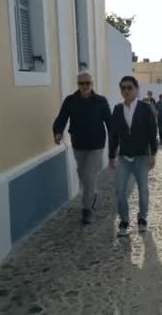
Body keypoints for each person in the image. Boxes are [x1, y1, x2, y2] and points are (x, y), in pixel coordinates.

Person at [53, 71, 111, 225]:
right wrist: (58, 132)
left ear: (92, 84)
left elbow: (110, 122)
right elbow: (61, 118)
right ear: (78, 85)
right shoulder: (70, 101)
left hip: (96, 145)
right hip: (78, 144)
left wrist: (116, 141)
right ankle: (93, 193)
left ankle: (87, 210)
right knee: (82, 173)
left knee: (88, 175)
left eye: (87, 83)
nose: (85, 86)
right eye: (81, 83)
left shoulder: (101, 101)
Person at [109, 76, 158, 236]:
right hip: (124, 158)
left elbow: (152, 132)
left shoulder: (145, 108)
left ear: (136, 89)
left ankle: (142, 218)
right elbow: (114, 135)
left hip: (142, 157)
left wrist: (153, 154)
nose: (126, 91)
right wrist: (111, 155)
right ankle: (124, 221)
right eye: (123, 88)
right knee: (120, 191)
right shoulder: (117, 109)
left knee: (143, 190)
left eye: (130, 87)